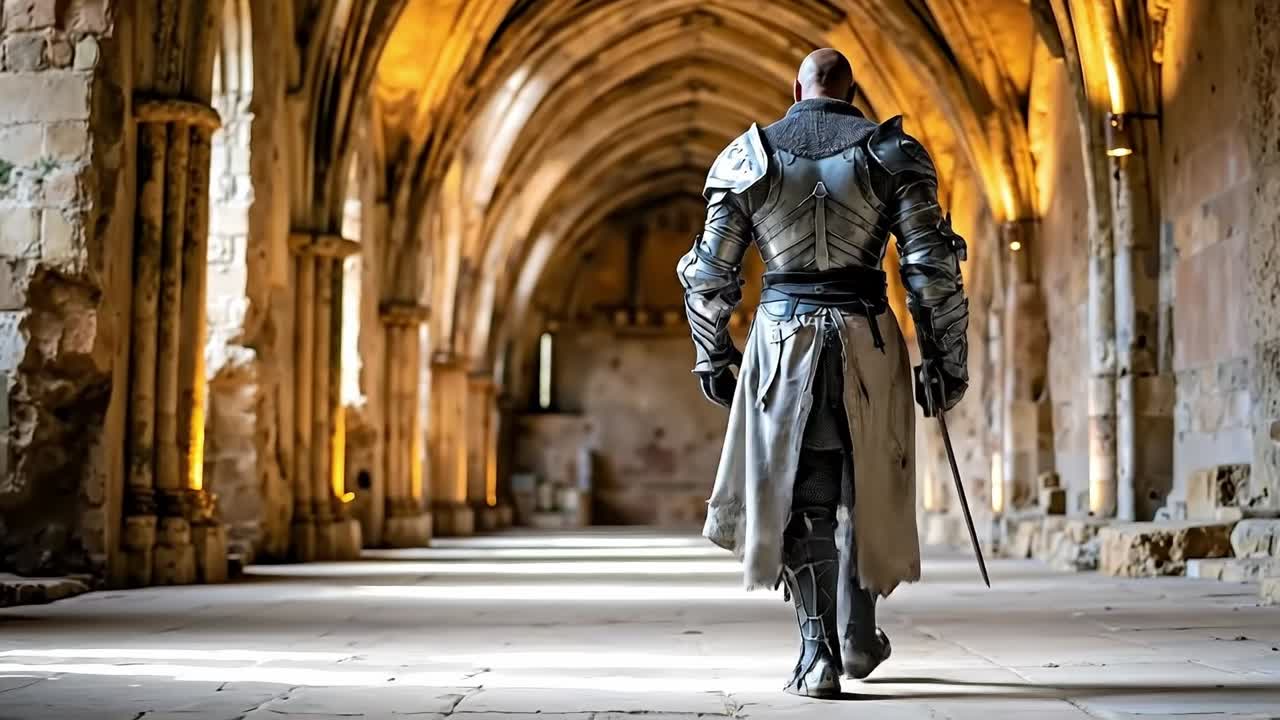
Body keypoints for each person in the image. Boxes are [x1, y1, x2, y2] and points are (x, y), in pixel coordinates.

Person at [677, 48, 969, 698]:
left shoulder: (749, 157)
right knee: (866, 488)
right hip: (868, 337)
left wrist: (714, 355)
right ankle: (859, 635)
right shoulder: (891, 153)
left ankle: (820, 653)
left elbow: (707, 279)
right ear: (853, 90)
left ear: (796, 87)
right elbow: (932, 272)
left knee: (806, 498)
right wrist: (948, 362)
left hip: (780, 344)